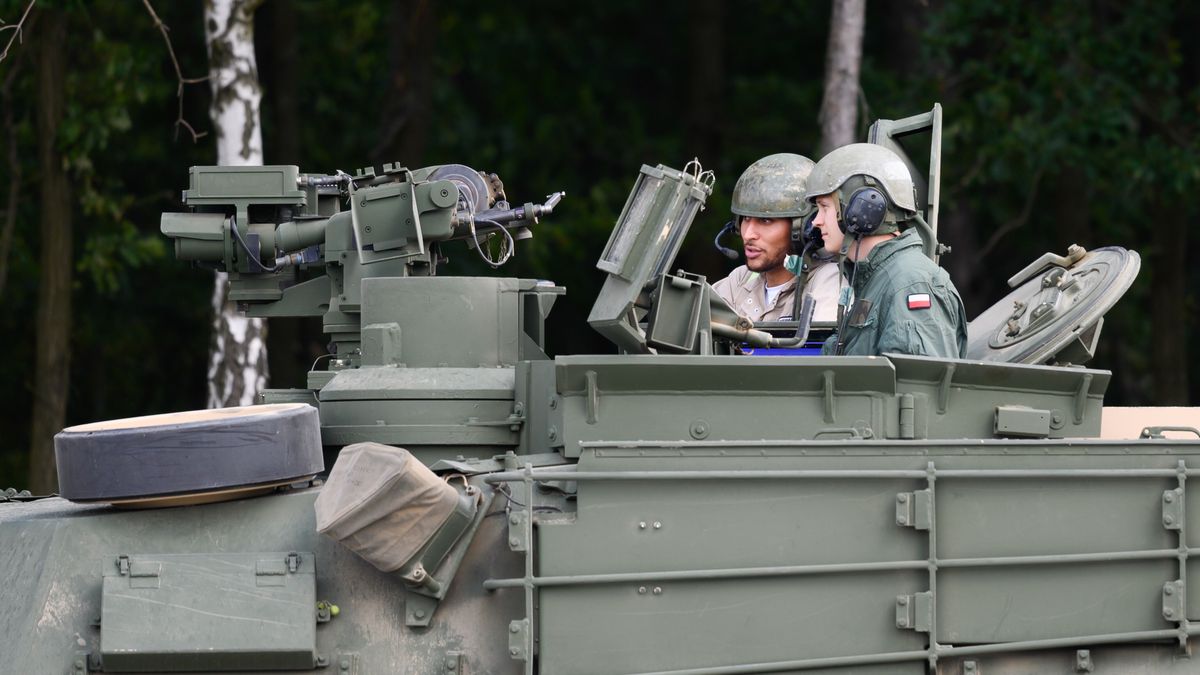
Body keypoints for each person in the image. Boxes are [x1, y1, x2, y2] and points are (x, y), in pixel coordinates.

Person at [804, 143, 967, 358]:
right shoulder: (876, 279)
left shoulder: (910, 284)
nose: (816, 221)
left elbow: (916, 387)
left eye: (824, 207)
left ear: (862, 210)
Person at [711, 153, 841, 323]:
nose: (748, 234)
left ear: (804, 228)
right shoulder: (741, 279)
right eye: (745, 219)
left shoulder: (826, 280)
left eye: (765, 221)